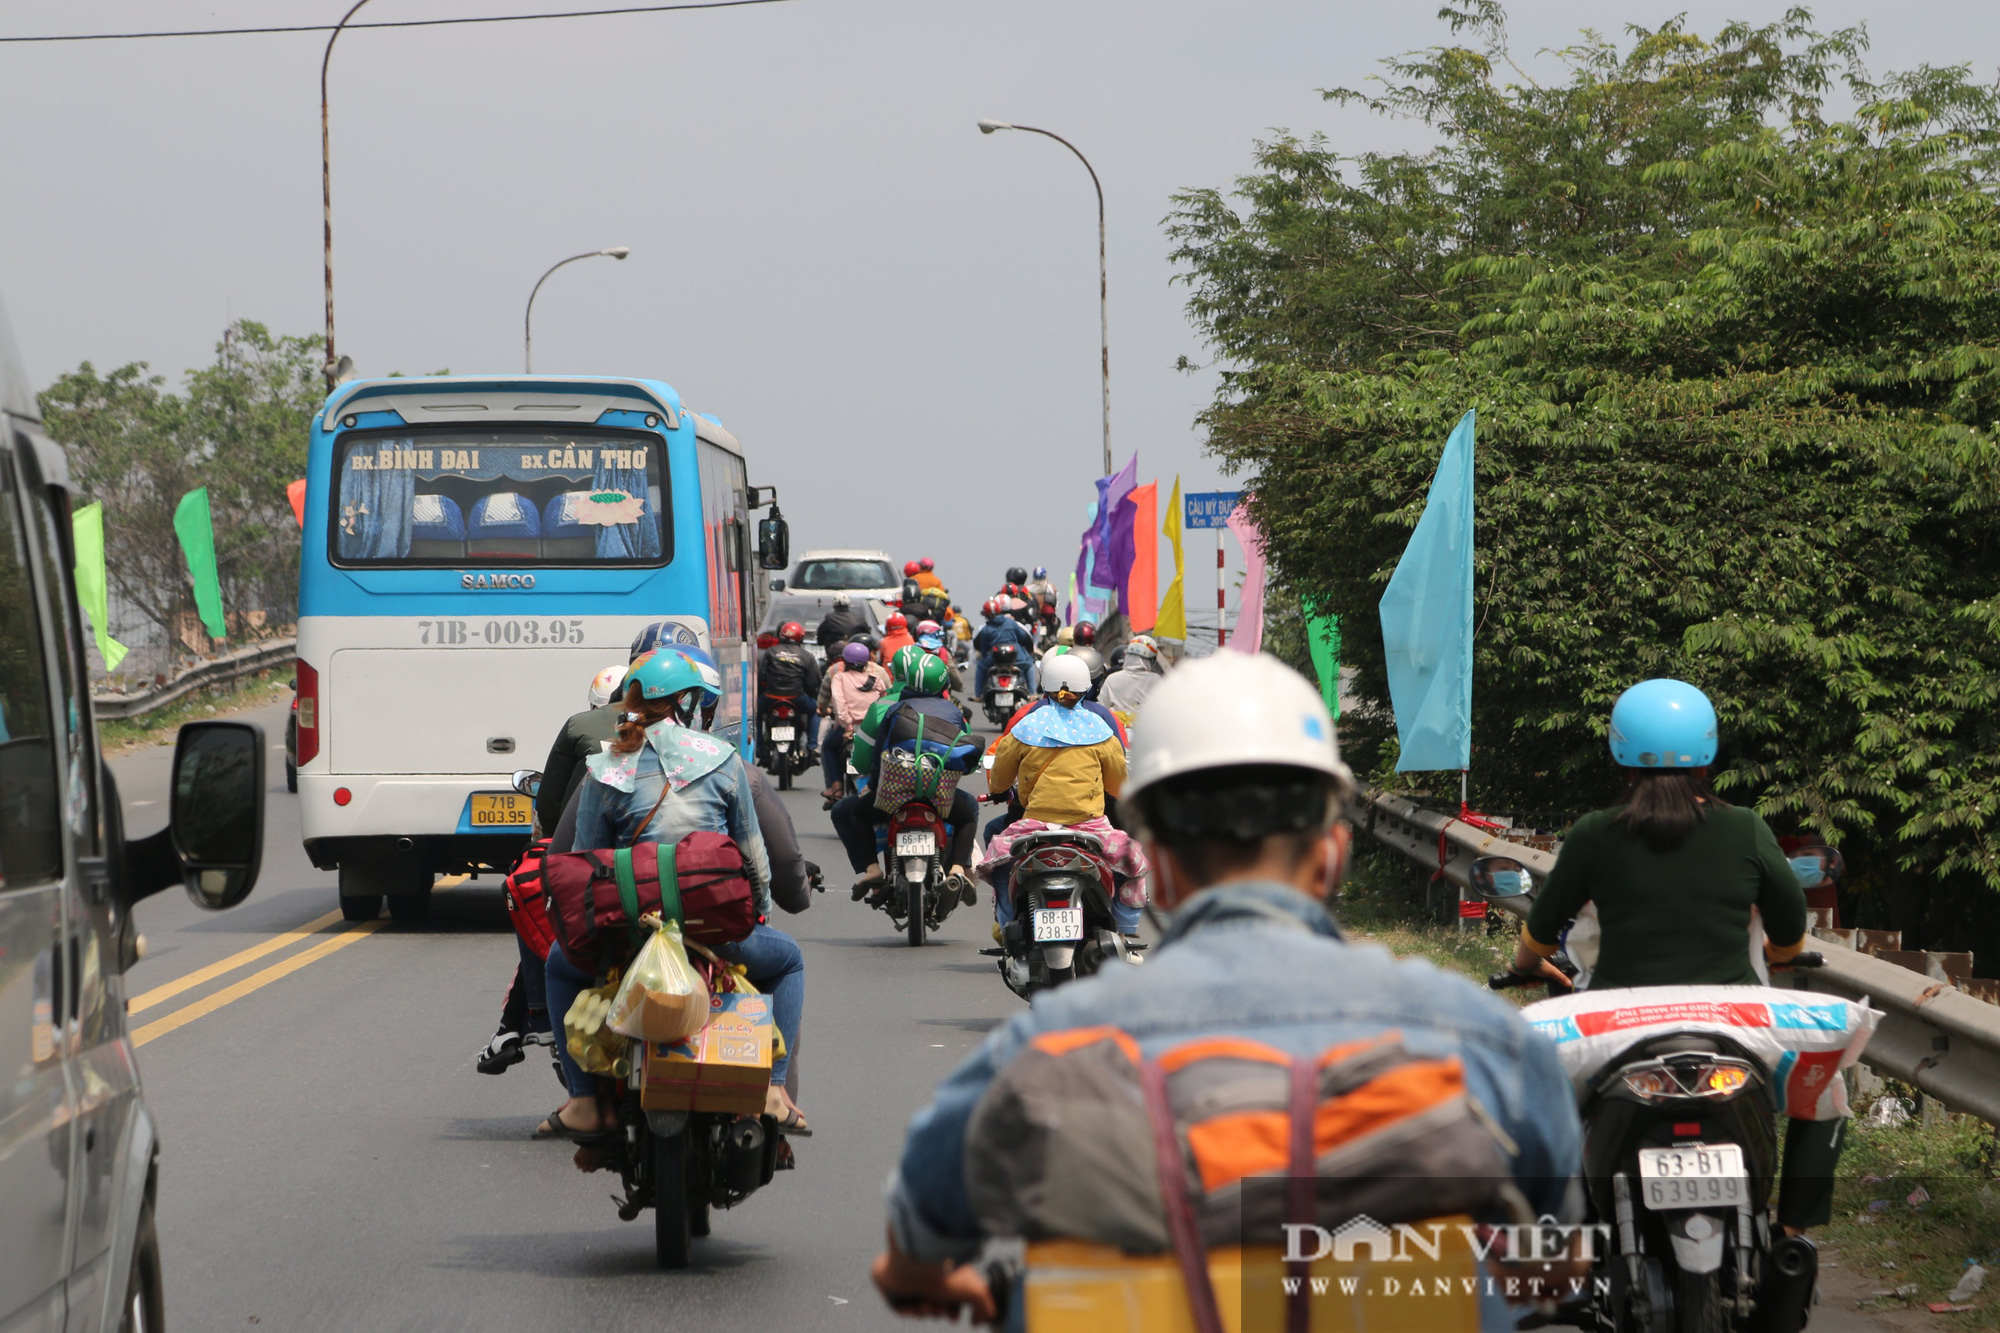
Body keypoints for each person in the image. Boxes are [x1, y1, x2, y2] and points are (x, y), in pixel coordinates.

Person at [873, 653, 1581, 1322]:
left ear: (1164, 863)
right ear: (1333, 857)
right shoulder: (1481, 1037)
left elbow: (920, 1225)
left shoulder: (1054, 1043)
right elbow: (1560, 1253)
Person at [1504, 677, 1833, 1236]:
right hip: (1735, 1017)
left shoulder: (1594, 833)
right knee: (1825, 1096)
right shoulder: (1747, 828)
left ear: (1620, 752)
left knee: (1530, 1094)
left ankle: (1559, 1232)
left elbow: (1542, 926)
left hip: (1613, 1019)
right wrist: (1782, 955)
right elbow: (1789, 927)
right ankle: (1793, 1234)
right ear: (1708, 753)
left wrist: (1523, 963)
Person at [549, 648, 812, 1139]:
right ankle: (774, 1090)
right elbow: (753, 857)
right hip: (714, 931)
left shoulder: (605, 768)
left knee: (556, 965)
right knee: (788, 960)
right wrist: (757, 917)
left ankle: (583, 1101)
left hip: (631, 932)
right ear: (688, 704)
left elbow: (586, 861)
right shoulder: (722, 758)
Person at [978, 654, 1145, 937]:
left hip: (1035, 827)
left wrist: (999, 790)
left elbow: (1000, 780)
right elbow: (1118, 786)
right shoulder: (1101, 729)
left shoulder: (1024, 727)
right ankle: (1126, 929)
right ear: (1086, 686)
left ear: (1044, 686)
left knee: (999, 865)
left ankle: (1007, 927)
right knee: (1135, 862)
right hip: (1090, 828)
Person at [829, 647, 981, 904]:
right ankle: (957, 868)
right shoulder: (954, 712)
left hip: (895, 795)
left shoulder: (892, 709)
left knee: (851, 812)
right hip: (938, 796)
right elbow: (963, 761)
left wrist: (876, 789)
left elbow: (878, 757)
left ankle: (872, 869)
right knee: (969, 812)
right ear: (943, 683)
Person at [817, 640, 892, 804]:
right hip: (872, 729)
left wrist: (847, 727)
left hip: (849, 728)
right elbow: (885, 706)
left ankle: (836, 787)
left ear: (844, 662)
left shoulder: (840, 678)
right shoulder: (876, 680)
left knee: (828, 748)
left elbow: (839, 703)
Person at [757, 620, 823, 763]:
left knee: (756, 712)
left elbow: (761, 676)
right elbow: (814, 682)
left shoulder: (770, 652)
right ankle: (812, 746)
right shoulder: (806, 656)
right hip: (797, 697)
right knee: (815, 711)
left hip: (771, 697)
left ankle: (759, 745)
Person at [972, 598, 1036, 699]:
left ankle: (978, 695)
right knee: (1028, 665)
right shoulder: (1011, 623)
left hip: (993, 661)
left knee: (980, 666)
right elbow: (1023, 637)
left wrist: (985, 656)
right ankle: (1032, 694)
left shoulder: (986, 629)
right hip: (1017, 659)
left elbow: (983, 650)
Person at [1096, 633, 1164, 713]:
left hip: (1116, 725)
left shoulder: (1112, 679)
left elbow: (1101, 708)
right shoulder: (1156, 680)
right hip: (1146, 725)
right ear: (1151, 660)